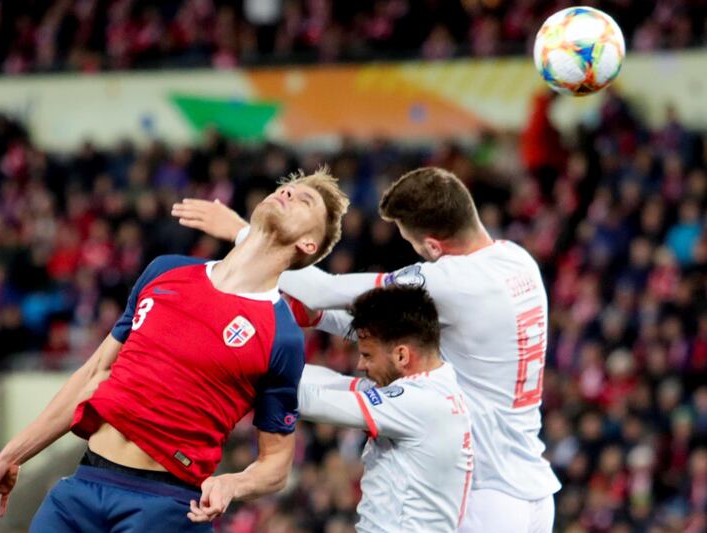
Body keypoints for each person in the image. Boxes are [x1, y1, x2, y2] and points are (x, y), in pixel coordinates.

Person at [172, 166, 561, 532]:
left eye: (410, 243)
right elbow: (401, 330)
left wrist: (243, 232)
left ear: (432, 245)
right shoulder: (516, 260)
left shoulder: (452, 280)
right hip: (530, 485)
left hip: (484, 494)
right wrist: (320, 318)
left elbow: (324, 291)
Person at [0, 169, 349, 532]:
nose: (287, 192)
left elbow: (277, 463)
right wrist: (11, 455)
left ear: (308, 245)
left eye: (305, 200)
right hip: (81, 487)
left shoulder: (281, 335)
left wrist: (233, 485)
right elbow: (94, 374)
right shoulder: (165, 271)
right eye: (285, 188)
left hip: (165, 505)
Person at [298, 286, 473, 532]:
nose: (360, 364)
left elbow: (310, 401)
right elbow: (336, 385)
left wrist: (244, 362)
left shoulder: (418, 402)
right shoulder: (431, 386)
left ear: (402, 355)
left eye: (368, 355)